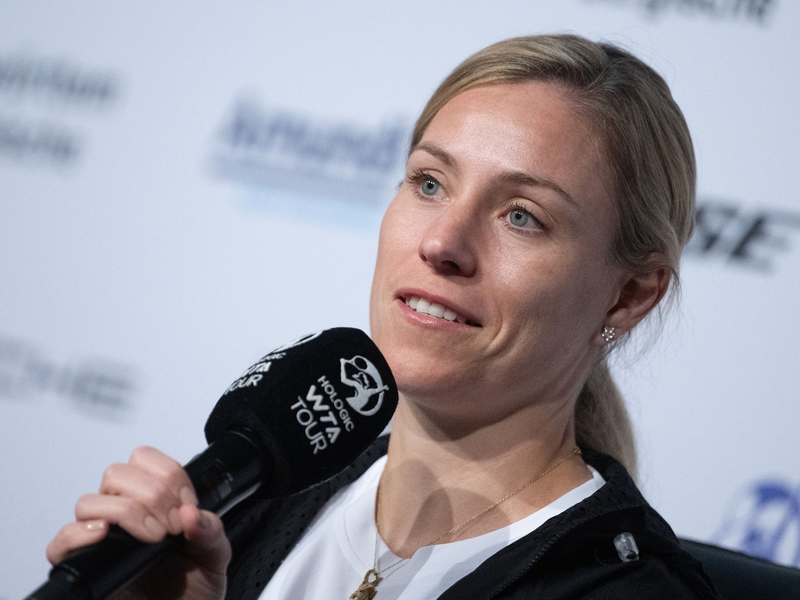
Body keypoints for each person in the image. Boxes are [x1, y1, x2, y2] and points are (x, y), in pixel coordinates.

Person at [46, 34, 721, 599]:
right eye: (430, 183)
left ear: (629, 295)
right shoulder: (258, 498)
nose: (441, 244)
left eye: (522, 216)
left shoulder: (624, 589)